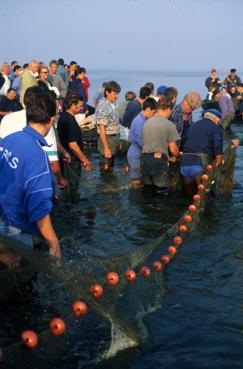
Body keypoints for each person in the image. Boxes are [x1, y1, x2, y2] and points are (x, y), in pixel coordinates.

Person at [0, 87, 61, 260]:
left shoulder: (9, 140)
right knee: (24, 283)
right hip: (16, 230)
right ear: (51, 120)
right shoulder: (37, 155)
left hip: (2, 221)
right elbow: (38, 206)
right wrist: (53, 241)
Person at [141, 96, 180, 194]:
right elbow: (173, 149)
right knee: (162, 193)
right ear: (168, 109)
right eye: (171, 110)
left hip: (144, 160)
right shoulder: (169, 124)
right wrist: (179, 157)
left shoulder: (147, 123)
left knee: (147, 192)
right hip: (158, 162)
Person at [57, 93, 92, 200]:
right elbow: (73, 145)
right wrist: (84, 160)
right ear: (72, 105)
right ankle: (72, 212)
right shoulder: (70, 121)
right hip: (70, 160)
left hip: (65, 158)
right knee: (72, 188)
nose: (82, 108)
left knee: (68, 188)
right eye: (80, 106)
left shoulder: (63, 116)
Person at [180, 109, 223, 195]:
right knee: (204, 193)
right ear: (216, 119)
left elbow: (182, 142)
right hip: (199, 164)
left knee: (190, 194)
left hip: (184, 163)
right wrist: (219, 158)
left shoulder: (193, 125)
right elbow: (217, 144)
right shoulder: (215, 128)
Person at [127, 98, 157, 186]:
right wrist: (152, 151)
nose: (154, 115)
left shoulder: (142, 119)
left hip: (137, 152)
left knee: (140, 180)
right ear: (148, 110)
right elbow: (140, 140)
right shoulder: (140, 121)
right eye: (153, 112)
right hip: (135, 154)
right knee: (136, 182)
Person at [96, 80, 121, 170]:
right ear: (107, 92)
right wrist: (106, 148)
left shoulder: (114, 103)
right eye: (114, 93)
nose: (117, 96)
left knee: (111, 165)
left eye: (118, 93)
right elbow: (102, 128)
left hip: (114, 138)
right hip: (107, 138)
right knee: (106, 168)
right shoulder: (103, 106)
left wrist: (118, 141)